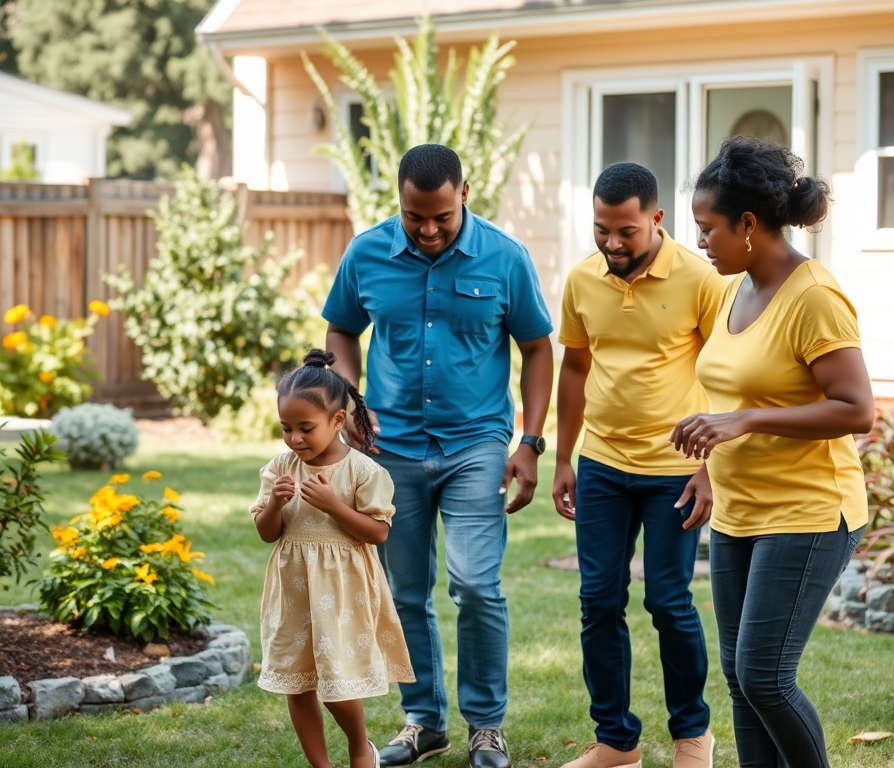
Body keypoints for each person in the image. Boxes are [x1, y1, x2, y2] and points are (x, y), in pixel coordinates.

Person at [322, 143, 554, 768]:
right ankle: (423, 720)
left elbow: (537, 347)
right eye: (413, 217)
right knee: (405, 592)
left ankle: (486, 726)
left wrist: (530, 443)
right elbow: (341, 328)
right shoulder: (367, 252)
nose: (427, 230)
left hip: (476, 444)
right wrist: (350, 401)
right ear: (399, 202)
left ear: (464, 195)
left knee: (476, 585)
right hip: (389, 447)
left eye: (441, 218)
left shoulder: (505, 258)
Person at [671, 136, 874, 767]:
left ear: (749, 225)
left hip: (809, 513)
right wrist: (707, 467)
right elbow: (730, 387)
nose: (700, 241)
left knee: (765, 675)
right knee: (738, 677)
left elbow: (856, 409)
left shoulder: (814, 297)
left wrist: (746, 422)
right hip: (739, 511)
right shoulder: (734, 286)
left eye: (708, 229)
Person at [553, 162, 724, 768]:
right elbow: (574, 368)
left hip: (676, 467)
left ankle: (692, 734)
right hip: (601, 463)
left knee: (669, 601)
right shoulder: (582, 279)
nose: (612, 243)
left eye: (625, 231)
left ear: (655, 218)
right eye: (602, 229)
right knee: (598, 601)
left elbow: (725, 377)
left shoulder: (702, 279)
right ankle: (616, 742)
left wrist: (711, 468)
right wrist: (564, 457)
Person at [250, 348, 415, 768]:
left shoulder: (364, 471)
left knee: (337, 681)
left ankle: (361, 749)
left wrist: (334, 506)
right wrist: (273, 504)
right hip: (294, 592)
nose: (295, 439)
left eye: (306, 428)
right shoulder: (280, 469)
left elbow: (378, 532)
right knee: (297, 682)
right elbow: (268, 533)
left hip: (343, 593)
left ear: (337, 421)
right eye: (286, 428)